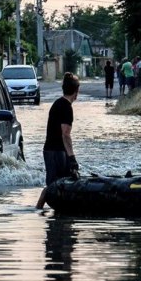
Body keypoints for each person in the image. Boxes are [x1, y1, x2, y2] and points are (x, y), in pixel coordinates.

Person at [36, 72, 80, 209]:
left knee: (57, 184)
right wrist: (72, 158)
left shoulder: (58, 103)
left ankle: (40, 210)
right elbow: (65, 134)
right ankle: (38, 209)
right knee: (55, 185)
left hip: (51, 150)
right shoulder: (66, 107)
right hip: (56, 152)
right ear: (76, 91)